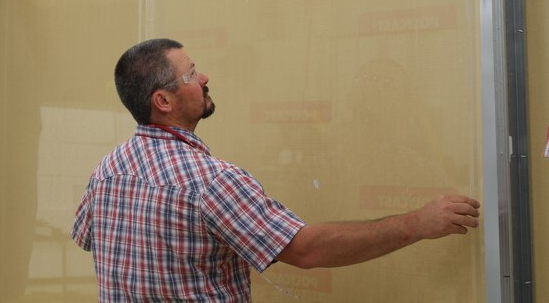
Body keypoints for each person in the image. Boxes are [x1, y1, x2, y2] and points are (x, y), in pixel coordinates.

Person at [71, 38, 480, 301]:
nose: (205, 77)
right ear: (163, 100)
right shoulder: (212, 182)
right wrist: (419, 222)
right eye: (192, 74)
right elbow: (307, 249)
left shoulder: (109, 169)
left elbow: (92, 241)